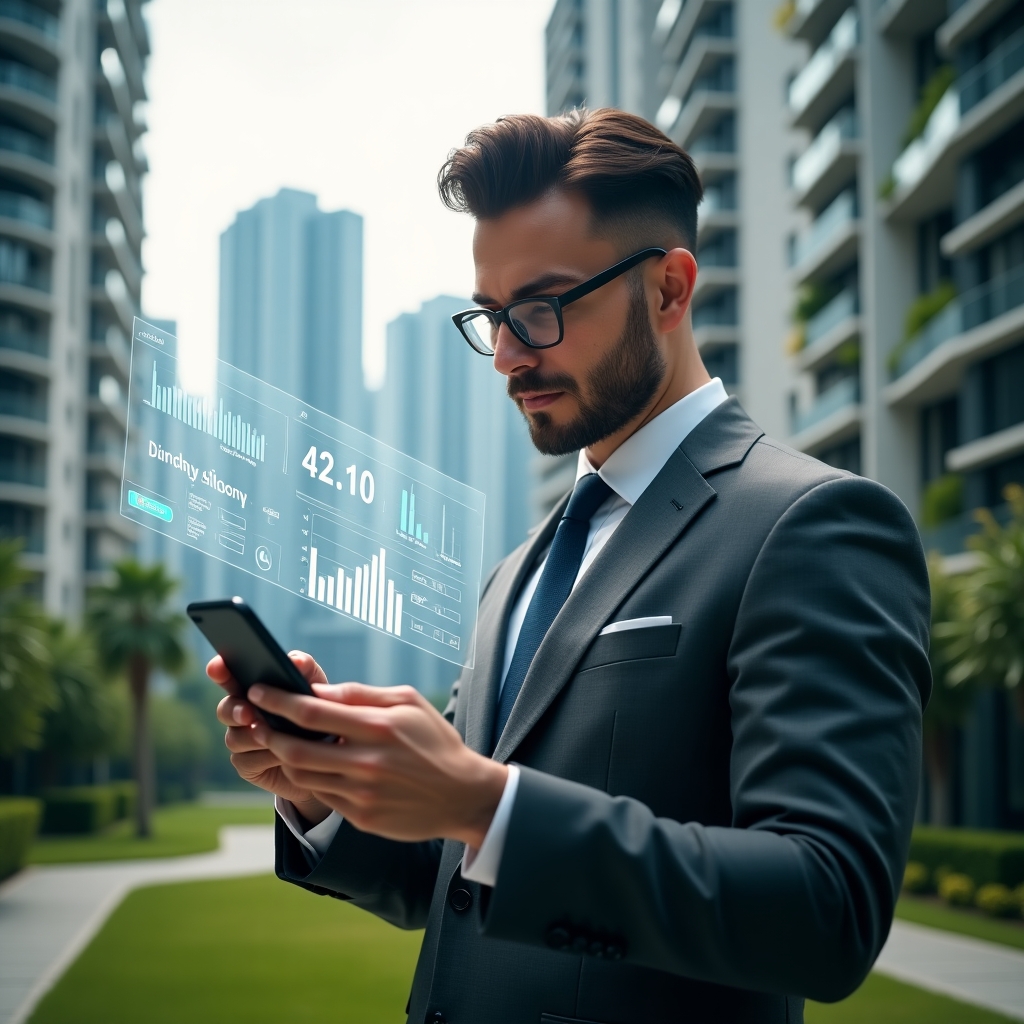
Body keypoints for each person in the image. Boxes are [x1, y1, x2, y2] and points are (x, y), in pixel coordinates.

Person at [210, 108, 931, 1024]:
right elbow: (457, 885)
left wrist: (485, 801)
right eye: (493, 317)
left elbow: (827, 908)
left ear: (669, 290)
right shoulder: (518, 572)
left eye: (543, 308)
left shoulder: (813, 525)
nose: (509, 355)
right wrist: (324, 796)